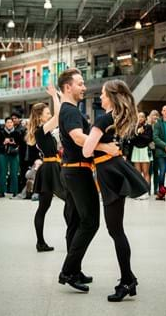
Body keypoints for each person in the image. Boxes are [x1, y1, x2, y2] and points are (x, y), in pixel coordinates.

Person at [83, 79, 149, 302]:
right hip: (115, 170)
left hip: (110, 173)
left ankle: (127, 280)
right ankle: (128, 278)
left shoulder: (103, 120)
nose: (100, 97)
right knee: (116, 229)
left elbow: (86, 150)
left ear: (111, 96)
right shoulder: (120, 119)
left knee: (116, 231)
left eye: (102, 94)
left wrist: (98, 144)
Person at [57, 68, 118, 293]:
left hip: (72, 172)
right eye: (80, 83)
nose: (84, 87)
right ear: (68, 87)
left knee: (75, 222)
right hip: (77, 172)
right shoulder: (71, 111)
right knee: (90, 222)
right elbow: (79, 138)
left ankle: (74, 269)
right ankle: (67, 270)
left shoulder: (67, 109)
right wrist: (105, 147)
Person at [26, 86, 66, 252]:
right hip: (50, 168)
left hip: (51, 167)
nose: (49, 115)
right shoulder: (40, 131)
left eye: (49, 113)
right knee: (48, 206)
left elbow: (58, 117)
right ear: (40, 116)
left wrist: (59, 97)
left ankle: (41, 242)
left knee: (44, 207)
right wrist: (55, 97)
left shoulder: (44, 131)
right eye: (47, 113)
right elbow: (58, 117)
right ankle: (41, 242)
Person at [130, 111, 153, 198]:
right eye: (139, 117)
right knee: (137, 173)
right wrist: (138, 133)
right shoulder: (133, 127)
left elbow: (148, 139)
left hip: (145, 150)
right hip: (136, 150)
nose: (140, 118)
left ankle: (146, 192)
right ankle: (139, 192)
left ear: (145, 118)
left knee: (146, 172)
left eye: (142, 117)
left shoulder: (148, 127)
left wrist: (140, 134)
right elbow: (132, 139)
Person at [0, 117, 21, 197]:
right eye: (8, 122)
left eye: (11, 122)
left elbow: (20, 145)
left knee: (14, 173)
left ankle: (15, 191)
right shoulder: (1, 133)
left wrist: (13, 143)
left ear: (13, 123)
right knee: (2, 173)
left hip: (14, 154)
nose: (9, 124)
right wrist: (4, 143)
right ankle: (1, 191)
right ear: (5, 124)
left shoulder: (17, 132)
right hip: (3, 154)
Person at [147, 109, 160, 195]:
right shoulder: (147, 125)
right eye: (153, 115)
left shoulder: (159, 126)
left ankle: (156, 189)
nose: (154, 117)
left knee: (156, 170)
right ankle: (148, 189)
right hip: (149, 150)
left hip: (158, 150)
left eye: (156, 115)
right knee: (148, 171)